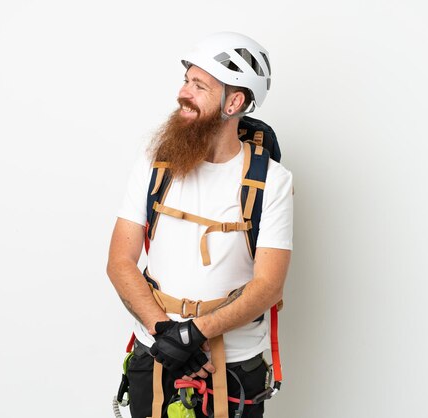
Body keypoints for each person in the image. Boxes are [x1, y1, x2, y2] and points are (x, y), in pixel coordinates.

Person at [107, 31, 293, 418]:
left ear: (234, 101)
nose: (183, 93)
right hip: (153, 354)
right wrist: (165, 335)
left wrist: (194, 334)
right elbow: (120, 262)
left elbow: (268, 284)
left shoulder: (272, 180)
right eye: (186, 80)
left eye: (199, 85)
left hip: (235, 365)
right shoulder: (154, 163)